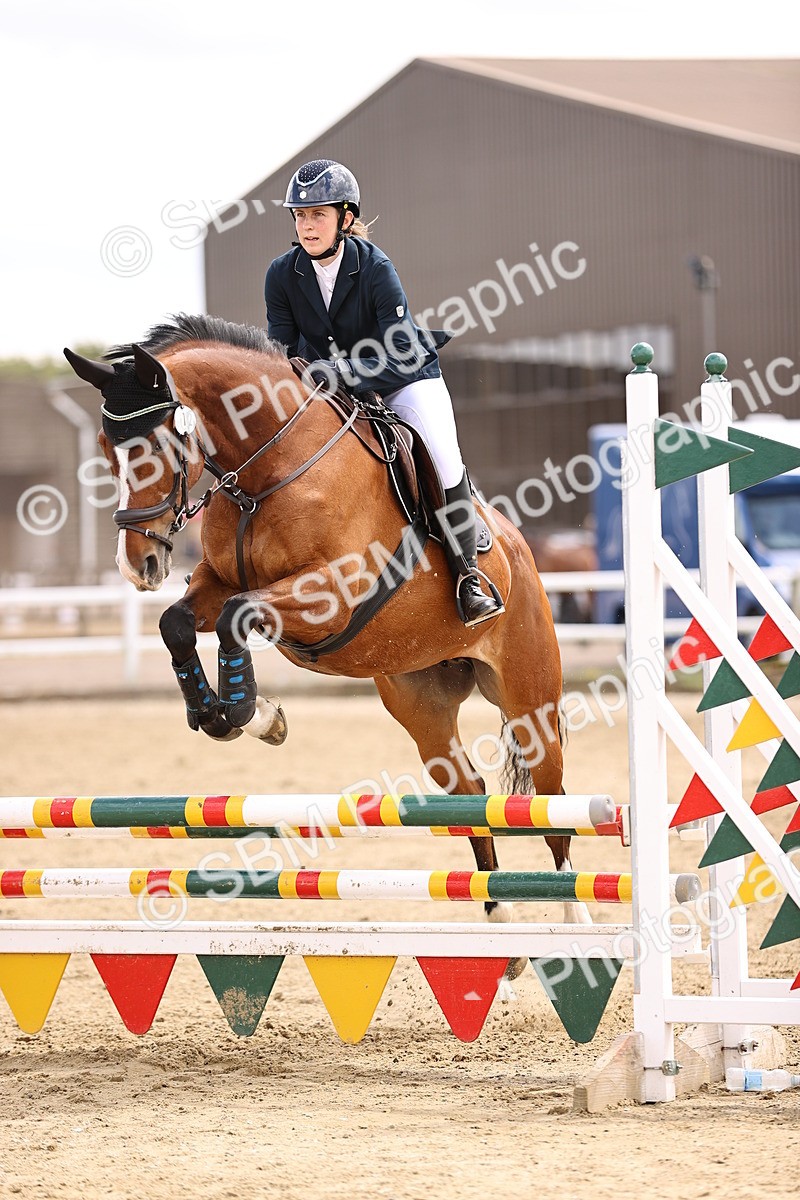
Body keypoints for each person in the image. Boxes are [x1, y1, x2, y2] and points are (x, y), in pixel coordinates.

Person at [264, 158, 504, 627]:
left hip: (404, 377)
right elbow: (281, 351)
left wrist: (338, 371)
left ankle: (468, 577)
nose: (307, 225)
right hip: (329, 385)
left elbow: (397, 354)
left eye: (318, 214)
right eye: (300, 215)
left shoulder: (374, 268)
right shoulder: (281, 274)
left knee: (439, 451)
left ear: (345, 219)